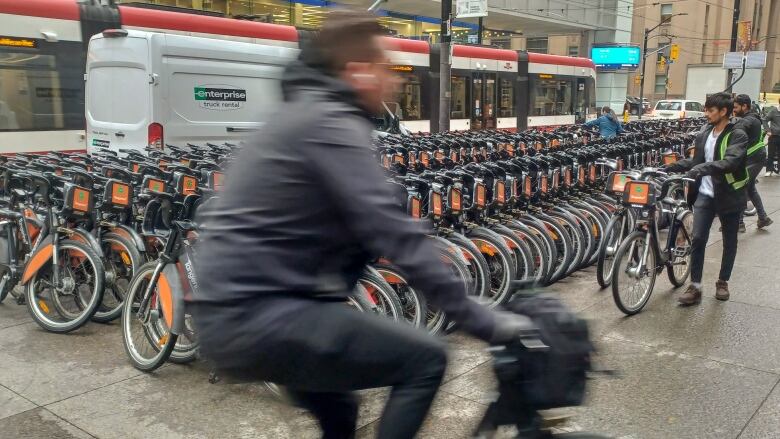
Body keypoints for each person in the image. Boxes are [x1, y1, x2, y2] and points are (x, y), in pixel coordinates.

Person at [189, 11, 530, 439]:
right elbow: (393, 231)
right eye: (386, 69)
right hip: (266, 316)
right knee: (426, 358)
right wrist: (480, 319)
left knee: (342, 410)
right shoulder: (328, 121)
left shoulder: (305, 112)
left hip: (244, 313)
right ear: (358, 72)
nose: (396, 80)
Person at [664, 92, 749, 305]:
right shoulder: (704, 134)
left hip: (729, 195)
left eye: (710, 110)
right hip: (705, 195)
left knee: (730, 241)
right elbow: (696, 162)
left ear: (724, 112)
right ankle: (695, 286)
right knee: (699, 238)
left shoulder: (737, 134)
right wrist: (670, 167)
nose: (706, 114)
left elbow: (731, 162)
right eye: (706, 109)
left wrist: (702, 168)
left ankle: (722, 281)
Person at [733, 94, 772, 230]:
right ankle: (763, 218)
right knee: (750, 188)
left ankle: (739, 223)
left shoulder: (748, 120)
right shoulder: (751, 118)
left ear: (745, 106)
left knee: (742, 187)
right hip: (755, 157)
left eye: (736, 107)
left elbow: (741, 127)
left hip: (753, 158)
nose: (734, 109)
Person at [763, 99, 780, 175]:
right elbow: (764, 120)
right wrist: (768, 131)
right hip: (774, 136)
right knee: (771, 154)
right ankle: (769, 170)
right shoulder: (773, 111)